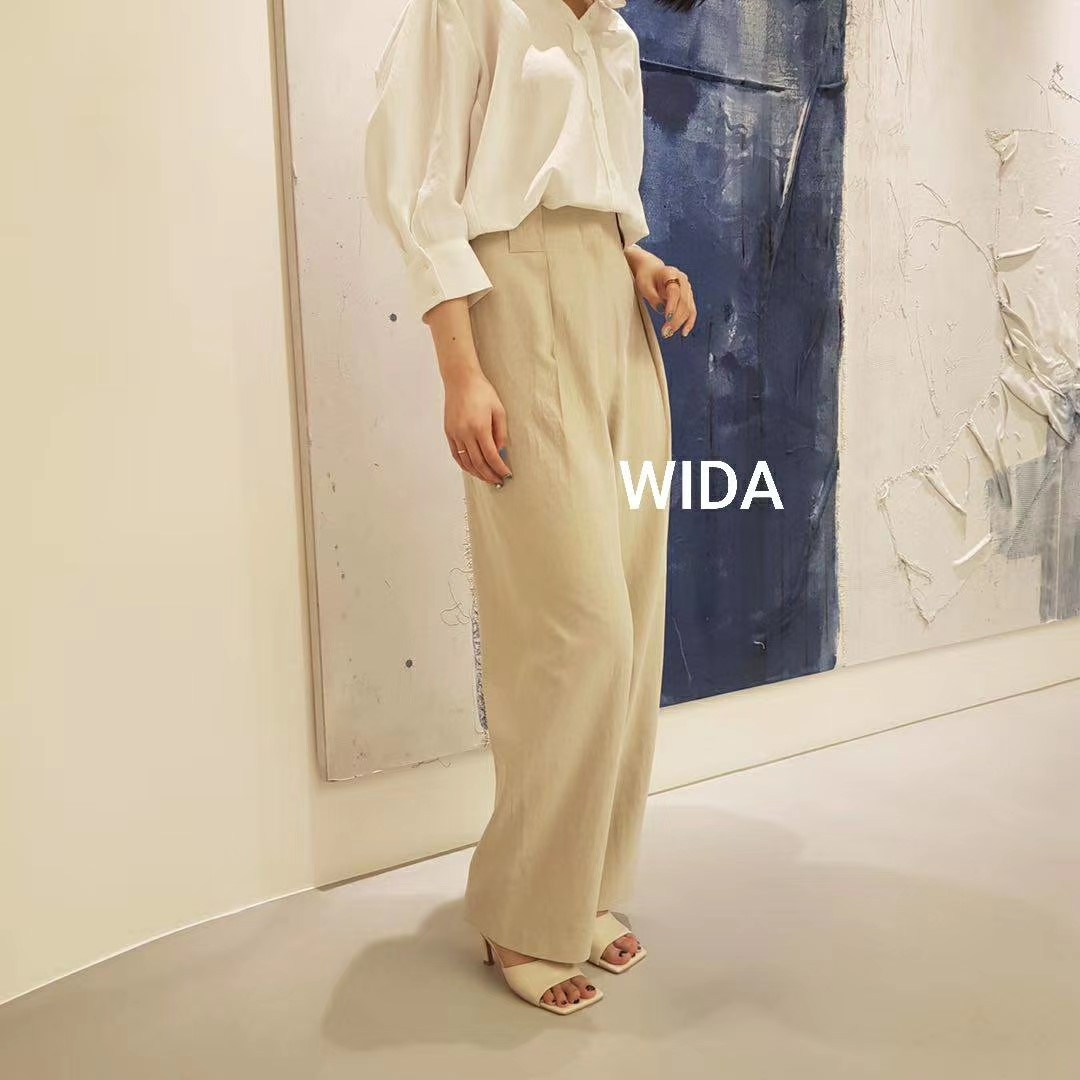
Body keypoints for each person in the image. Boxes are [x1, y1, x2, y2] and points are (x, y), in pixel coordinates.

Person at [363, 0, 699, 1016]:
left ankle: (583, 889)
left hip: (615, 312)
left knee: (631, 626)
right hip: (513, 300)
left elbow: (599, 194)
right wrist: (460, 370)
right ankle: (518, 907)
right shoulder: (471, 9)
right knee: (576, 630)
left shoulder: (616, 35)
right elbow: (420, 188)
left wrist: (638, 258)